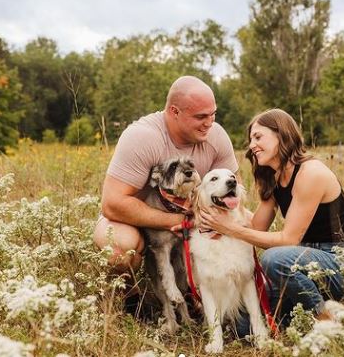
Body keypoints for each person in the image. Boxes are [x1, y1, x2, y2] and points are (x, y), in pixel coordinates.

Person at [199, 108, 344, 331]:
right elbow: (256, 228)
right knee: (243, 326)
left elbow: (288, 240)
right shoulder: (273, 177)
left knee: (274, 259)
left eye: (258, 137)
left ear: (282, 135)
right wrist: (219, 215)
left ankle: (327, 320)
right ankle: (302, 318)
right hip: (301, 260)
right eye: (250, 139)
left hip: (336, 259)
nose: (252, 145)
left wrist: (229, 228)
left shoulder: (310, 173)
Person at [94, 76, 238, 275]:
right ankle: (131, 299)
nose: (209, 123)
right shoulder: (142, 136)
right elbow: (112, 204)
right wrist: (179, 221)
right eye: (201, 117)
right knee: (120, 251)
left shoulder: (216, 137)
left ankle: (201, 294)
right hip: (130, 219)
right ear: (174, 111)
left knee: (226, 237)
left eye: (213, 114)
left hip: (193, 218)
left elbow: (233, 197)